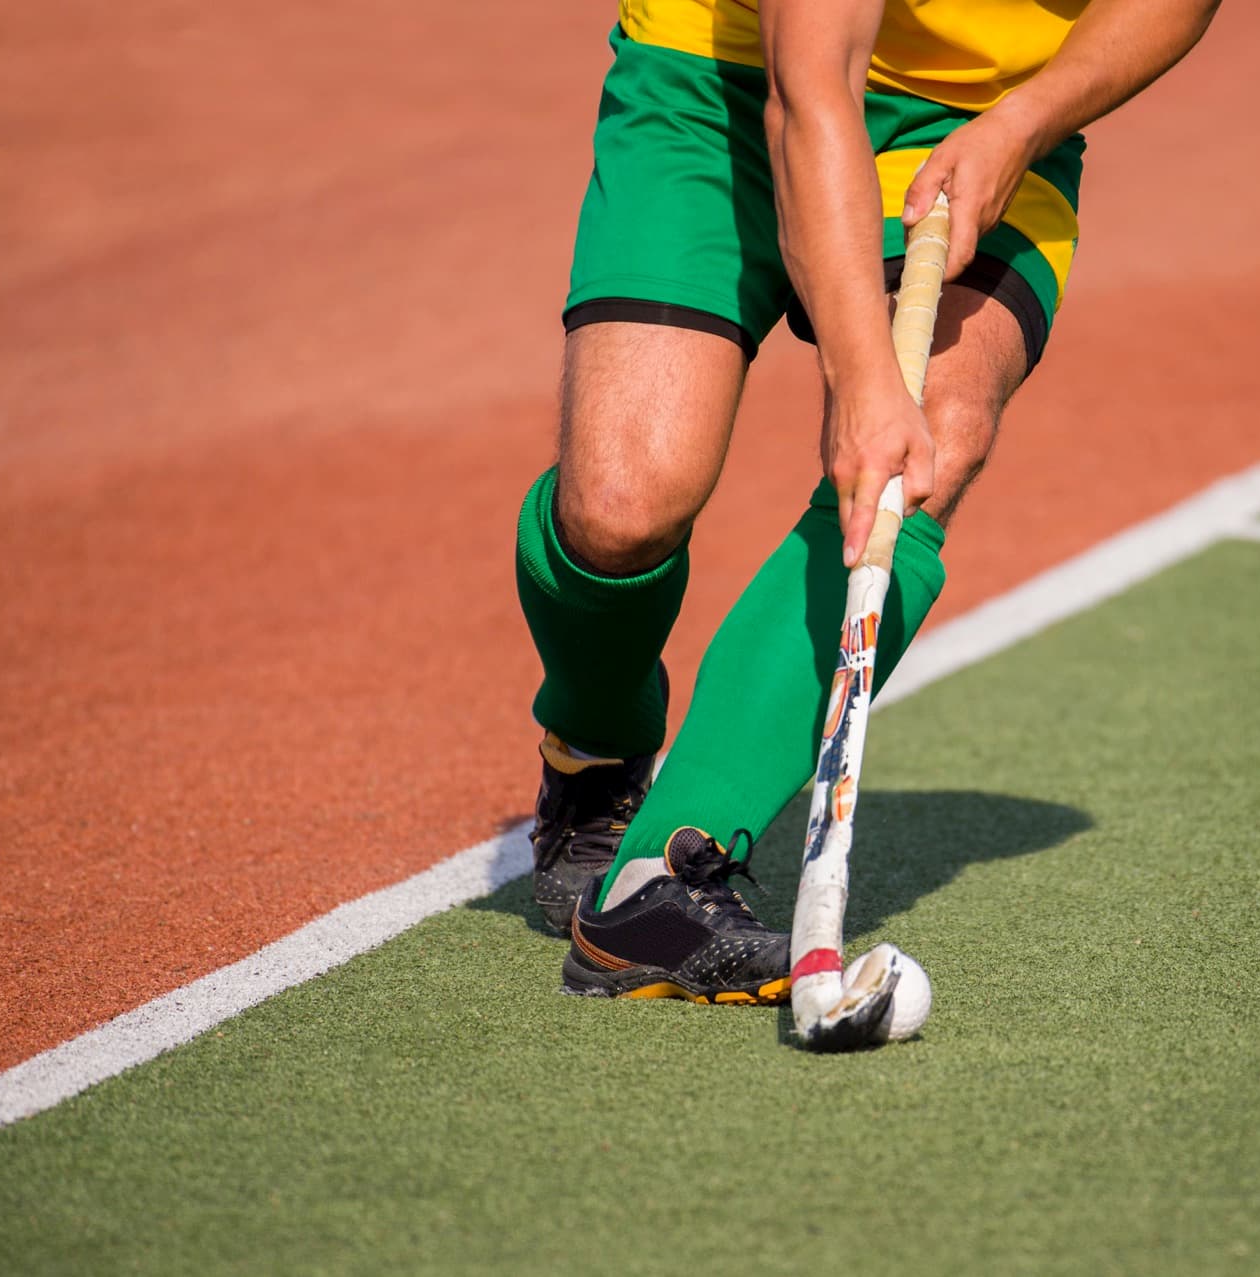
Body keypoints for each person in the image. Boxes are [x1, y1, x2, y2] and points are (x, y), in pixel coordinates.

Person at [517, 0, 1222, 1003]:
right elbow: (812, 92)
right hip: (718, 79)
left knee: (932, 441)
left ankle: (662, 875)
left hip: (975, 120)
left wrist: (1025, 122)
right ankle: (592, 743)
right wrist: (859, 381)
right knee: (621, 506)